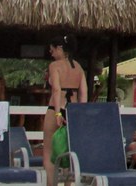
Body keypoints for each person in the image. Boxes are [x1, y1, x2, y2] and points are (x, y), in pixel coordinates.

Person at [42, 35, 87, 186]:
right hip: (74, 112)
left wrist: (57, 113)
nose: (51, 53)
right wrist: (80, 114)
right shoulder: (79, 67)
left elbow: (56, 89)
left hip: (57, 108)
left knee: (49, 156)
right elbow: (84, 93)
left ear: (60, 48)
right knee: (69, 155)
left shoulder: (55, 66)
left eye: (52, 49)